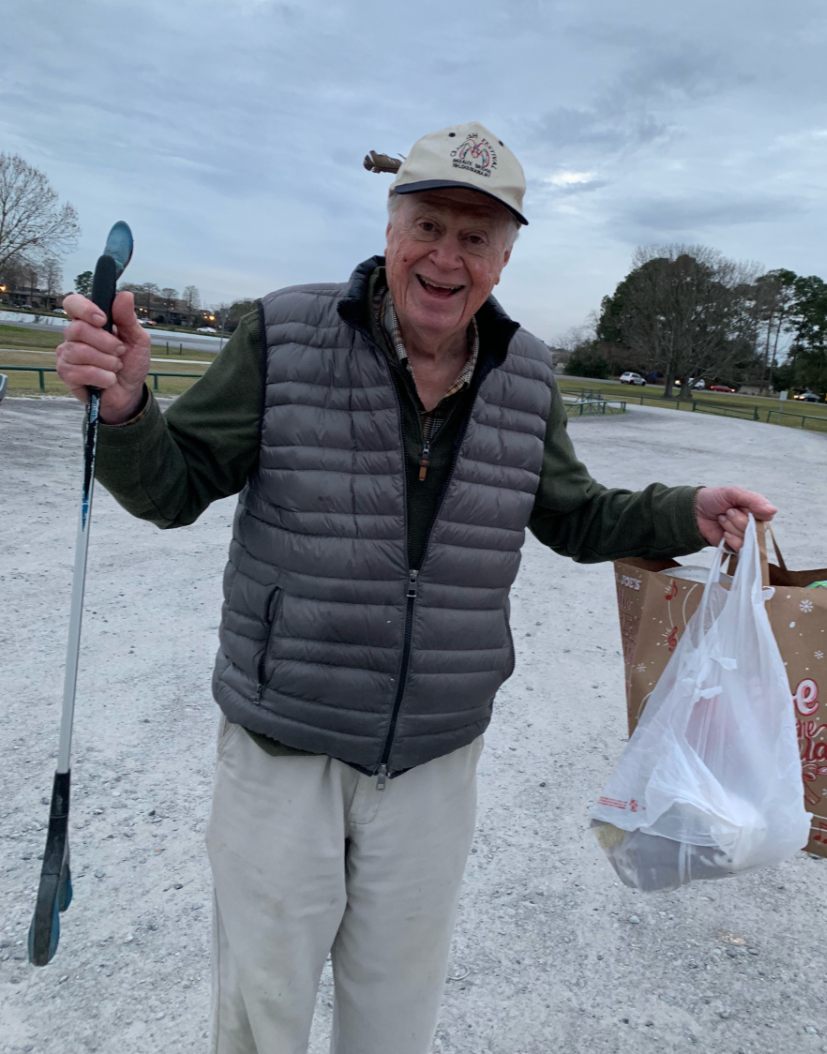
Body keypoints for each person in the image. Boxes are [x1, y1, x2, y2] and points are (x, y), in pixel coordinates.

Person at [57, 122, 775, 1054]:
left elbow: (574, 514)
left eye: (476, 237)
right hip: (286, 748)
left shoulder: (527, 374)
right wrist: (126, 413)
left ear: (505, 260)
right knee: (260, 1014)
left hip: (434, 762)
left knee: (395, 1019)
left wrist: (688, 511)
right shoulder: (282, 332)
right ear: (390, 230)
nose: (447, 256)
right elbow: (174, 487)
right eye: (429, 224)